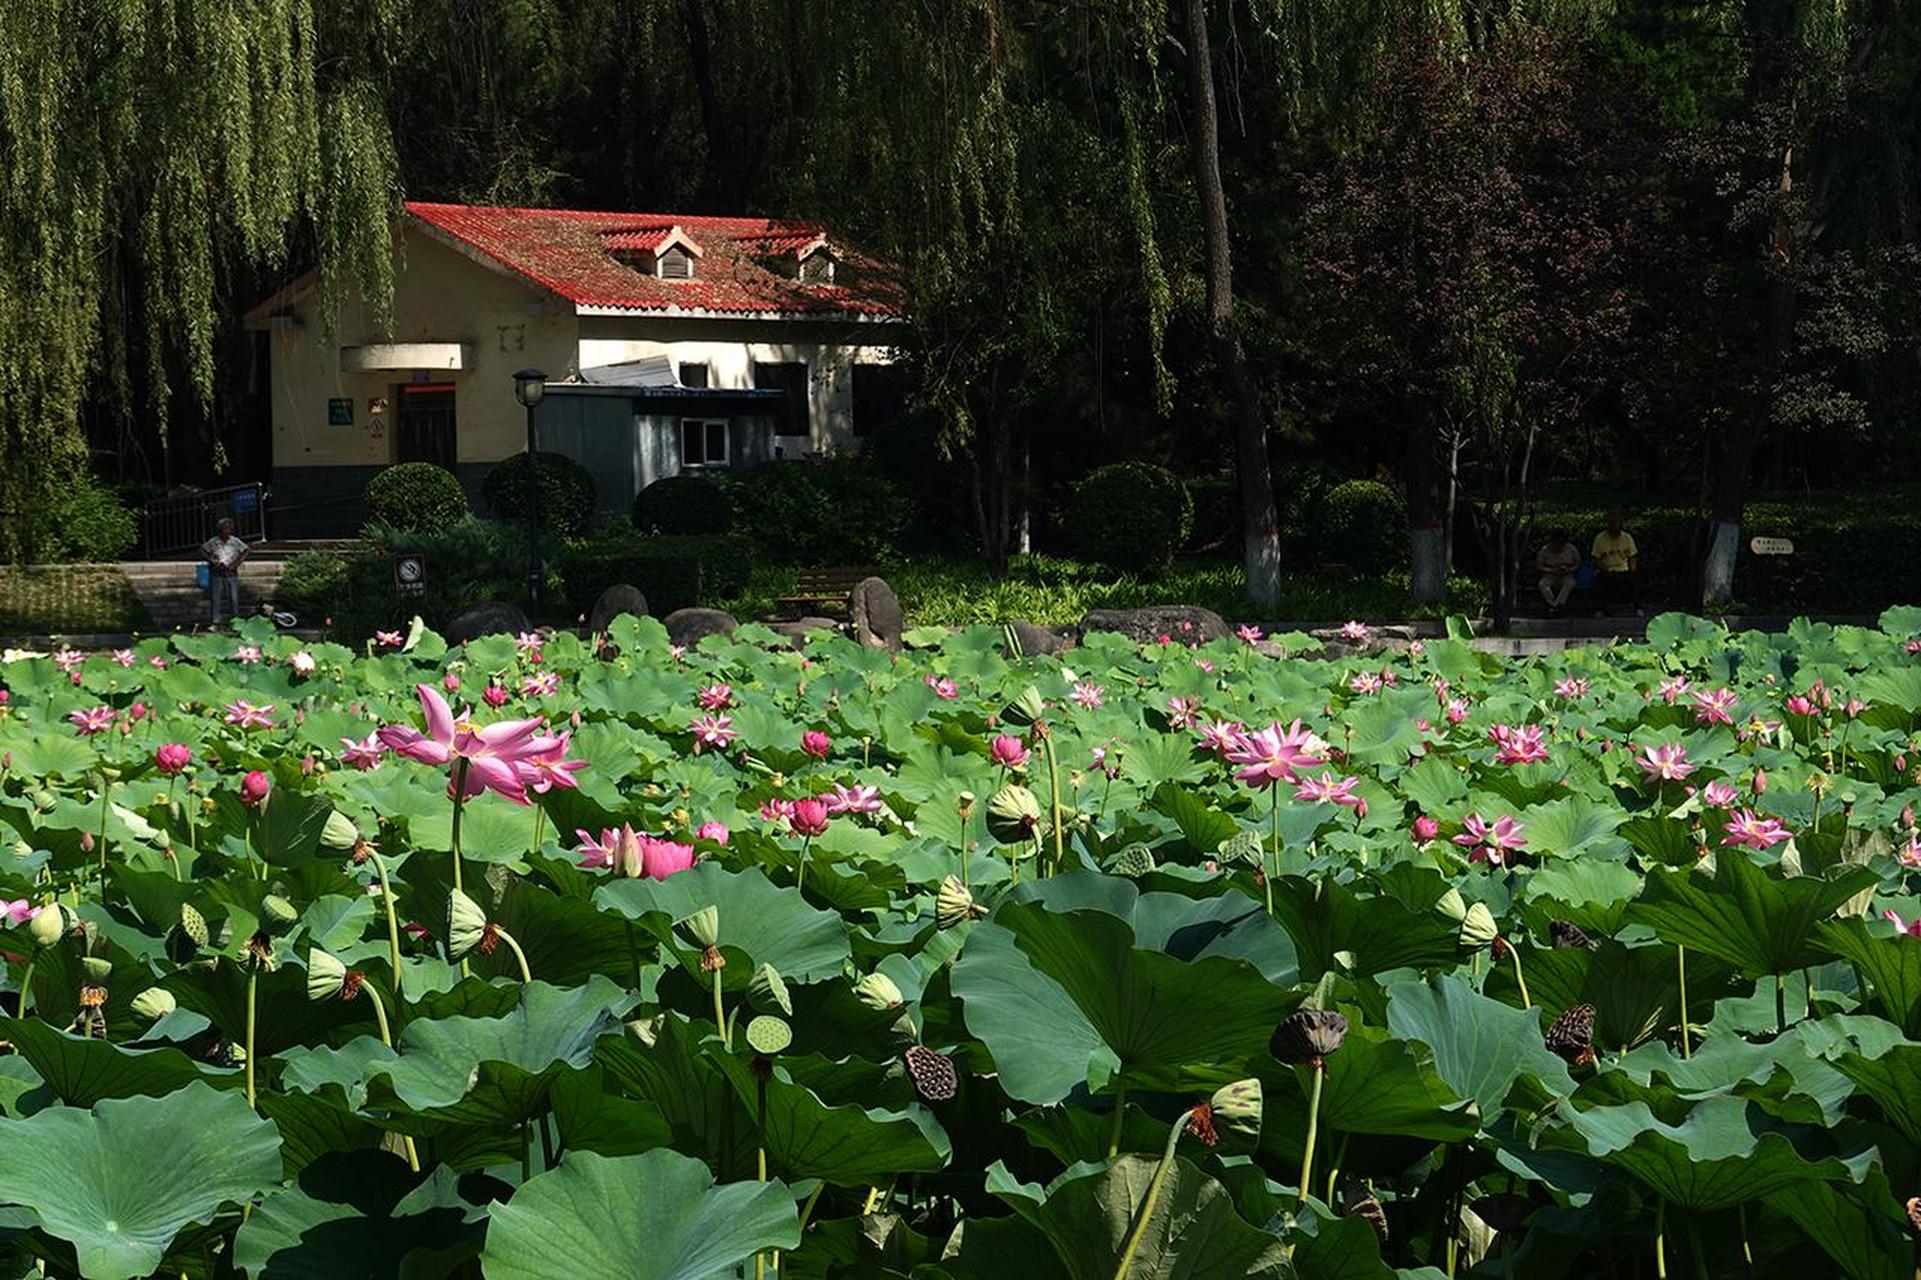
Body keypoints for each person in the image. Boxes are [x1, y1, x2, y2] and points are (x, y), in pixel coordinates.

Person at [1590, 510, 1640, 615]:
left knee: (1633, 581)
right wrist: (1603, 569)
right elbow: (1596, 558)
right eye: (1612, 525)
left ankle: (1636, 608)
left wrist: (1632, 570)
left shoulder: (1627, 537)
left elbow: (1632, 556)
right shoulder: (1600, 538)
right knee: (1601, 581)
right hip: (1606, 569)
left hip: (1623, 569)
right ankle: (1600, 609)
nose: (1615, 528)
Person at [202, 517, 249, 625]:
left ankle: (235, 622)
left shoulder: (235, 541)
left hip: (231, 571)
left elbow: (246, 550)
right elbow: (203, 550)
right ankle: (215, 622)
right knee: (216, 598)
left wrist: (236, 563)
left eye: (228, 528)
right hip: (217, 572)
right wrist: (212, 561)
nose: (226, 531)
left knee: (233, 598)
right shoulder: (214, 541)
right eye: (224, 528)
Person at [1535, 528, 1582, 614]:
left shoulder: (1571, 549)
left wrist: (1569, 569)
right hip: (1550, 575)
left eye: (1561, 544)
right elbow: (1539, 566)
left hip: (1566, 575)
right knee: (1542, 584)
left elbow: (1578, 564)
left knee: (1570, 583)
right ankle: (1553, 605)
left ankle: (1558, 605)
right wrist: (1551, 570)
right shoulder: (1544, 550)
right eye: (1556, 543)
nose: (1558, 546)